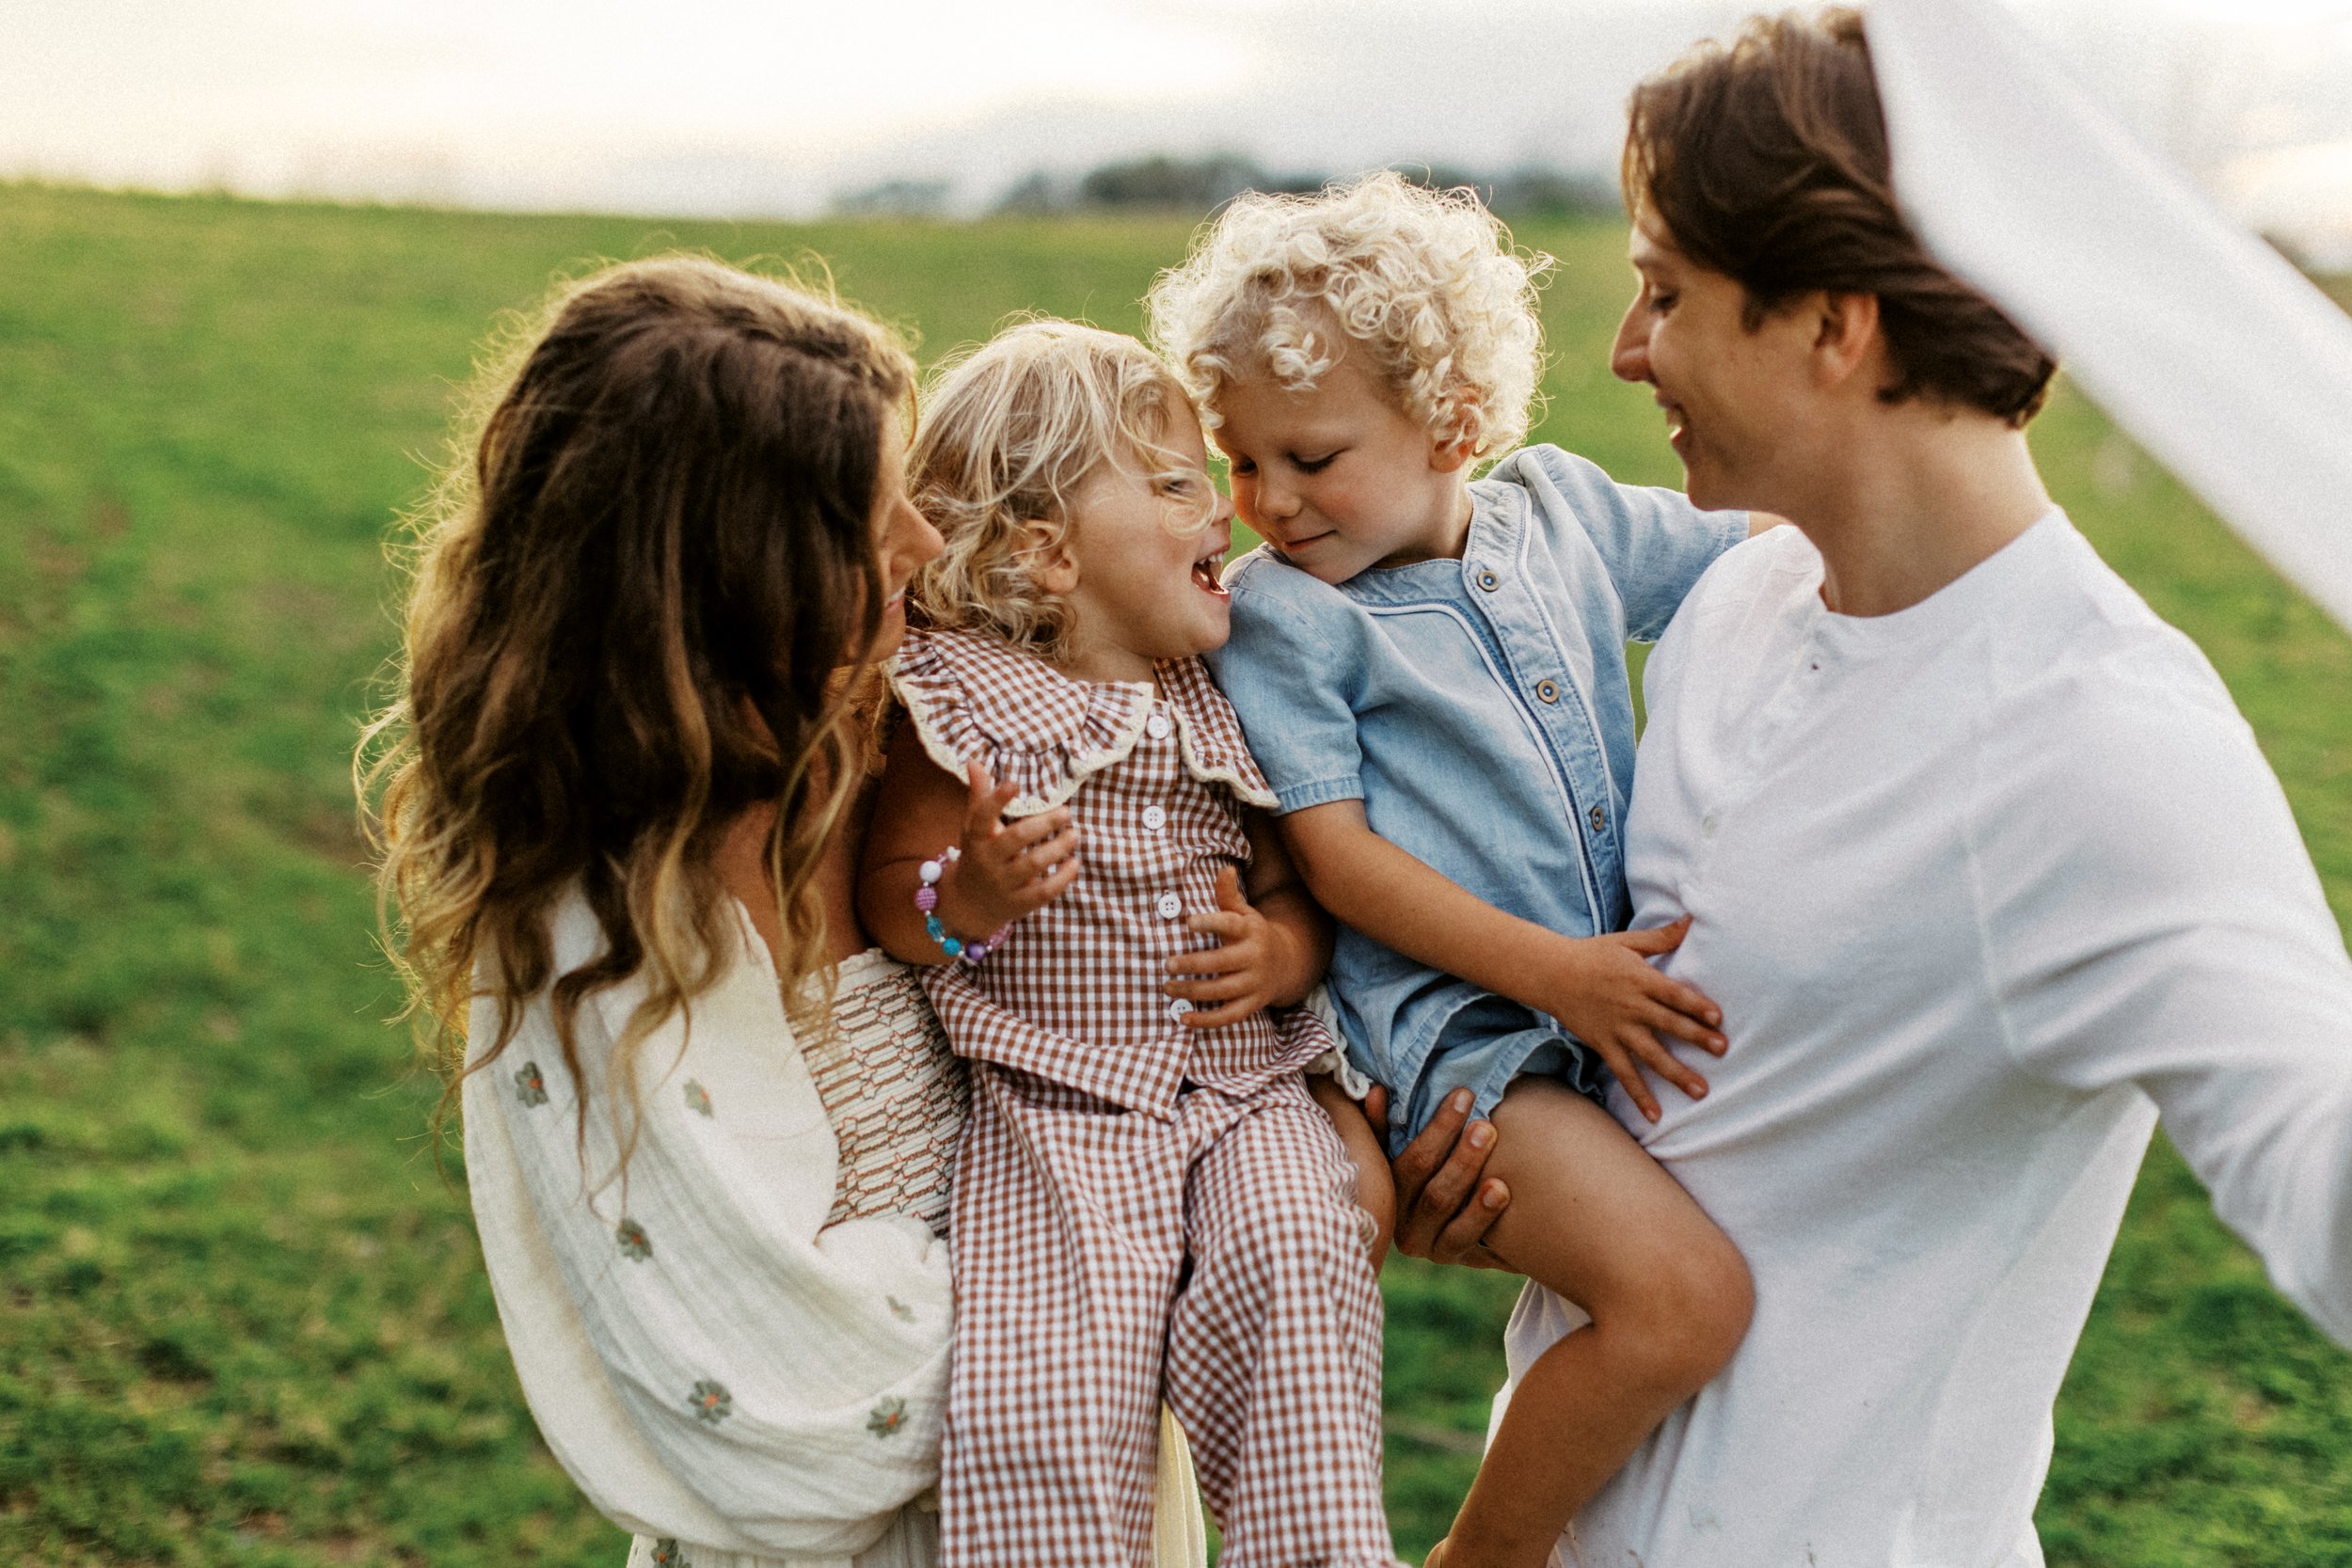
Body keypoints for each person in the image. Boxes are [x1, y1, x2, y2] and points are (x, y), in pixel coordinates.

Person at [1481, 10, 2352, 1565]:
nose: (1626, 351)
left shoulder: (2103, 745)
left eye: (1666, 293)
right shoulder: (1736, 608)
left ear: (1832, 323)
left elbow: (2319, 1157)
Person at [361, 258, 1210, 1568]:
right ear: (731, 577)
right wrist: (1195, 1265)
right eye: (872, 523)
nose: (926, 548)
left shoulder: (898, 744)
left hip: (1090, 1500)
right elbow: (802, 1430)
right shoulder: (599, 942)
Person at [1150, 171, 1759, 1567]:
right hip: (1471, 1044)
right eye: (1243, 463)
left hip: (1596, 1001)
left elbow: (1752, 558)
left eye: (1311, 457)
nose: (1269, 503)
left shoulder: (1567, 515)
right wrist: (1561, 979)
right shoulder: (1289, 622)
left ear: (1453, 425)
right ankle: (1486, 1555)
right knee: (1684, 1302)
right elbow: (1342, 863)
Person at [856, 321, 1397, 1568]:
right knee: (1052, 1385)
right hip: (1062, 1110)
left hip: (1241, 1094)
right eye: (1171, 485)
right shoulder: (963, 700)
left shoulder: (1212, 691)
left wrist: (1283, 953)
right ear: (1047, 553)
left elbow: (1289, 886)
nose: (1223, 513)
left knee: (1299, 1264)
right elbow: (897, 898)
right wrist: (970, 897)